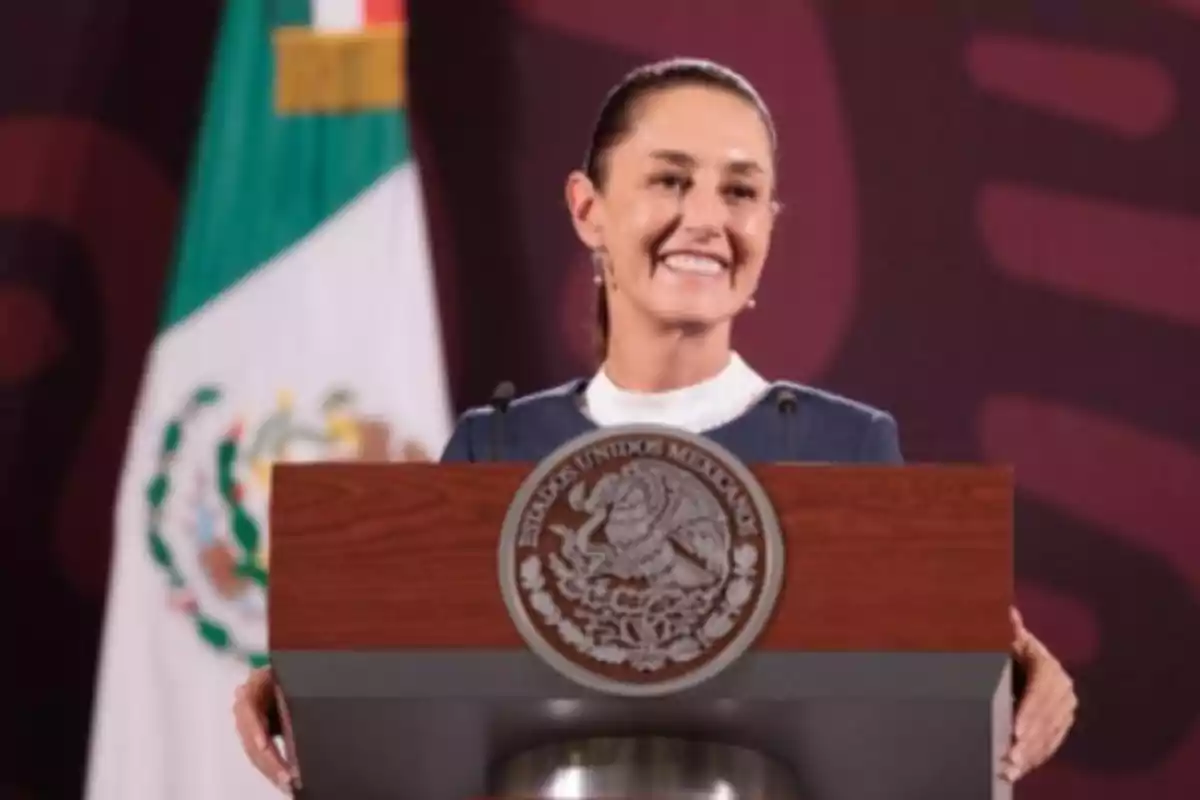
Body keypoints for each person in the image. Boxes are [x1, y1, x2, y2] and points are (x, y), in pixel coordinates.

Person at [233, 56, 1077, 792]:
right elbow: (413, 680)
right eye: (670, 180)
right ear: (588, 209)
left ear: (769, 227)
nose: (707, 218)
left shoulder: (847, 450)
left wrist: (1012, 667)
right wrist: (306, 682)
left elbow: (921, 675)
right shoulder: (493, 452)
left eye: (740, 191)